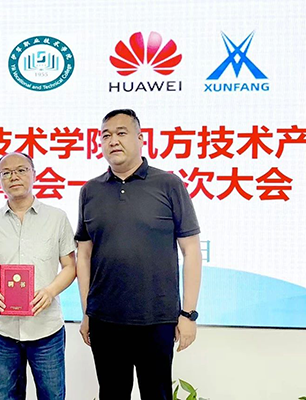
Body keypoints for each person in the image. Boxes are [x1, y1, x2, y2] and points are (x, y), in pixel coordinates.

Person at [76, 109, 202, 400]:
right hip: (105, 320)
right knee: (111, 394)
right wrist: (87, 312)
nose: (113, 141)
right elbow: (83, 254)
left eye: (121, 133)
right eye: (106, 135)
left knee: (157, 394)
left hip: (156, 319)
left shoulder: (169, 184)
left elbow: (191, 250)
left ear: (140, 138)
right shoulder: (90, 190)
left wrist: (188, 314)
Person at [0, 152, 77, 400]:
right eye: (5, 173)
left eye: (21, 170)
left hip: (46, 329)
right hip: (4, 331)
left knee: (52, 396)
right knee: (8, 397)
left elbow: (70, 266)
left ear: (34, 174)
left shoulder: (57, 218)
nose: (13, 176)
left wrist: (50, 291)